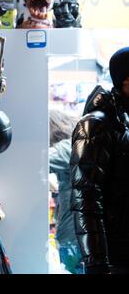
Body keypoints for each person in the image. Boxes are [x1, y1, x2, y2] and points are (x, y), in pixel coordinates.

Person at [70, 47, 129, 274]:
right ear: (125, 79)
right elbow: (85, 195)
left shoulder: (123, 122)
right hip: (115, 258)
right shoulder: (95, 125)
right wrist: (97, 263)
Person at [49, 109, 83, 274]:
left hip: (72, 237)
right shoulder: (78, 145)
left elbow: (39, 162)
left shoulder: (65, 147)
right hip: (80, 235)